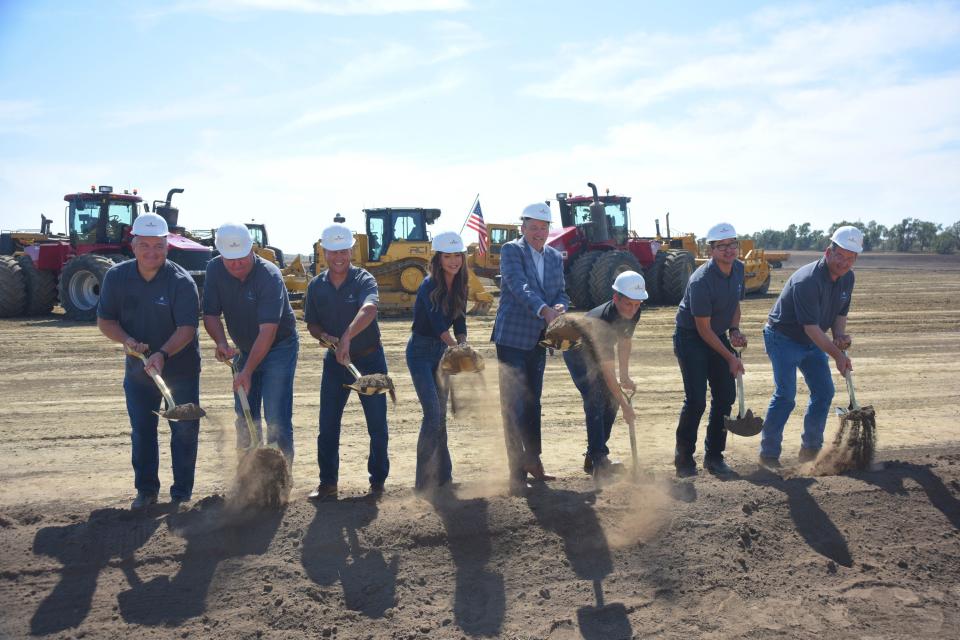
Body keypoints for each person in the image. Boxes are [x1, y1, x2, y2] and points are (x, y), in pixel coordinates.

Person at [96, 213, 201, 509]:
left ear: (168, 246)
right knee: (142, 431)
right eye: (145, 246)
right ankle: (146, 491)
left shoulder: (181, 281)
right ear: (134, 246)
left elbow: (187, 329)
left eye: (159, 246)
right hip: (139, 372)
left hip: (180, 371)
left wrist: (162, 354)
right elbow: (106, 321)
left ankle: (181, 494)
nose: (152, 252)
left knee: (184, 430)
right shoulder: (117, 277)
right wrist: (127, 341)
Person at [759, 226, 863, 468]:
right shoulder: (808, 280)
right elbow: (811, 328)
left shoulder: (848, 278)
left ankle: (810, 451)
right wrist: (837, 354)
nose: (844, 262)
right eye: (840, 255)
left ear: (855, 259)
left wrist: (839, 336)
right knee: (785, 395)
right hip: (783, 337)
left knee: (824, 392)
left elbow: (840, 312)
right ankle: (768, 456)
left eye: (850, 258)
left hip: (812, 340)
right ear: (828, 252)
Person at [202, 222, 299, 464]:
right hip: (244, 348)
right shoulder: (214, 270)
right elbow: (210, 314)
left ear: (251, 250)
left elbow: (267, 332)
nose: (236, 264)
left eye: (241, 258)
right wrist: (222, 342)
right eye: (229, 259)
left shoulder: (269, 276)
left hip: (279, 347)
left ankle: (280, 481)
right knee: (245, 414)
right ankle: (247, 477)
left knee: (276, 416)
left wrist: (246, 371)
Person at [305, 223, 388, 499]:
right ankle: (327, 483)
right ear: (324, 251)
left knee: (377, 424)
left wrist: (347, 337)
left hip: (369, 360)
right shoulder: (316, 286)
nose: (338, 257)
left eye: (343, 251)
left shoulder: (364, 279)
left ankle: (377, 483)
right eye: (332, 252)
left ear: (351, 250)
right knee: (327, 425)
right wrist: (325, 336)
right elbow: (312, 324)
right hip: (335, 365)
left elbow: (370, 308)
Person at [492, 202, 570, 494]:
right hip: (512, 337)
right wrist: (544, 311)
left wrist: (562, 305)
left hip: (538, 339)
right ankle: (516, 472)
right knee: (512, 404)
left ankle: (533, 460)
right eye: (533, 227)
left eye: (543, 228)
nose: (539, 233)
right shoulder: (512, 250)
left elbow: (561, 290)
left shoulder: (553, 257)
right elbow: (517, 285)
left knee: (533, 402)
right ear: (522, 227)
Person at [673, 223, 747, 478]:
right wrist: (729, 358)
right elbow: (702, 329)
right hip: (691, 337)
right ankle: (683, 459)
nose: (729, 250)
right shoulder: (701, 281)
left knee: (725, 395)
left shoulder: (739, 269)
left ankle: (714, 456)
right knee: (696, 400)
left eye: (732, 244)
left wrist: (734, 330)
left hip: (715, 334)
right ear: (711, 250)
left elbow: (735, 304)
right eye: (722, 246)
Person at [563, 271, 645, 479]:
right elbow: (608, 372)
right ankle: (599, 460)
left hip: (598, 353)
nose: (633, 310)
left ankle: (595, 455)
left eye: (637, 305)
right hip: (576, 352)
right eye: (628, 304)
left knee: (612, 401)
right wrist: (626, 406)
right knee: (596, 397)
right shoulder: (602, 323)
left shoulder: (634, 309)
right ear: (616, 297)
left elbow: (625, 341)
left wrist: (624, 376)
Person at [406, 231, 469, 494]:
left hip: (442, 353)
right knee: (432, 414)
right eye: (448, 256)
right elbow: (438, 324)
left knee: (440, 416)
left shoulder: (462, 284)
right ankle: (423, 482)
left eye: (457, 256)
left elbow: (459, 319)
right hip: (420, 353)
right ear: (438, 258)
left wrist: (463, 343)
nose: (453, 261)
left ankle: (444, 476)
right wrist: (458, 349)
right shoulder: (428, 285)